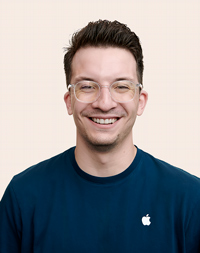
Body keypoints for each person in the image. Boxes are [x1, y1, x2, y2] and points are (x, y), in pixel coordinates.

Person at [0, 20, 200, 253]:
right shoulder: (24, 196)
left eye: (121, 86)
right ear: (69, 101)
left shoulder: (189, 199)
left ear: (140, 101)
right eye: (87, 86)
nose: (104, 103)